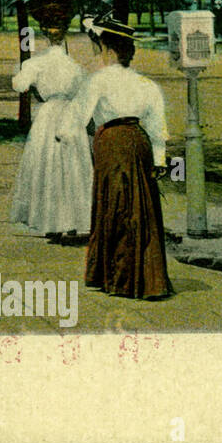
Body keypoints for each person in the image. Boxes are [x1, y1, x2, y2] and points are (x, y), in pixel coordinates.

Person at [57, 15, 173, 300]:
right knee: (141, 208)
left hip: (112, 145)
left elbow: (77, 117)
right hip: (139, 142)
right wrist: (159, 161)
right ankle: (148, 277)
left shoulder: (98, 81)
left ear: (108, 50)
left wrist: (64, 135)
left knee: (114, 206)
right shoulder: (147, 84)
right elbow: (158, 129)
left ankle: (117, 277)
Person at [9, 0, 92, 240]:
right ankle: (73, 220)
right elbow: (82, 93)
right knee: (71, 166)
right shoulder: (75, 66)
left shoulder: (36, 63)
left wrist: (33, 82)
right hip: (69, 114)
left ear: (45, 33)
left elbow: (19, 85)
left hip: (48, 115)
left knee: (47, 164)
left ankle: (49, 220)